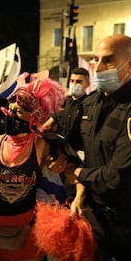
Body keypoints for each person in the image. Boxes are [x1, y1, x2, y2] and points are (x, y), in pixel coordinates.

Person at [64, 34, 131, 261]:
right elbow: (72, 143)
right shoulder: (92, 102)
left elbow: (117, 176)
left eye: (108, 60)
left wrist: (78, 173)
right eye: (96, 59)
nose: (97, 67)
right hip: (95, 217)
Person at [0, 73, 65, 261]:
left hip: (27, 229)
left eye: (18, 111)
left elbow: (70, 171)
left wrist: (76, 198)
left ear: (34, 116)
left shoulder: (44, 144)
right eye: (9, 110)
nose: (10, 116)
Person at [43, 67, 92, 199]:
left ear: (87, 84)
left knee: (72, 197)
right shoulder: (64, 103)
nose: (74, 84)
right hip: (58, 158)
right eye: (72, 81)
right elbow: (48, 124)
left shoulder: (90, 105)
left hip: (77, 160)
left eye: (79, 82)